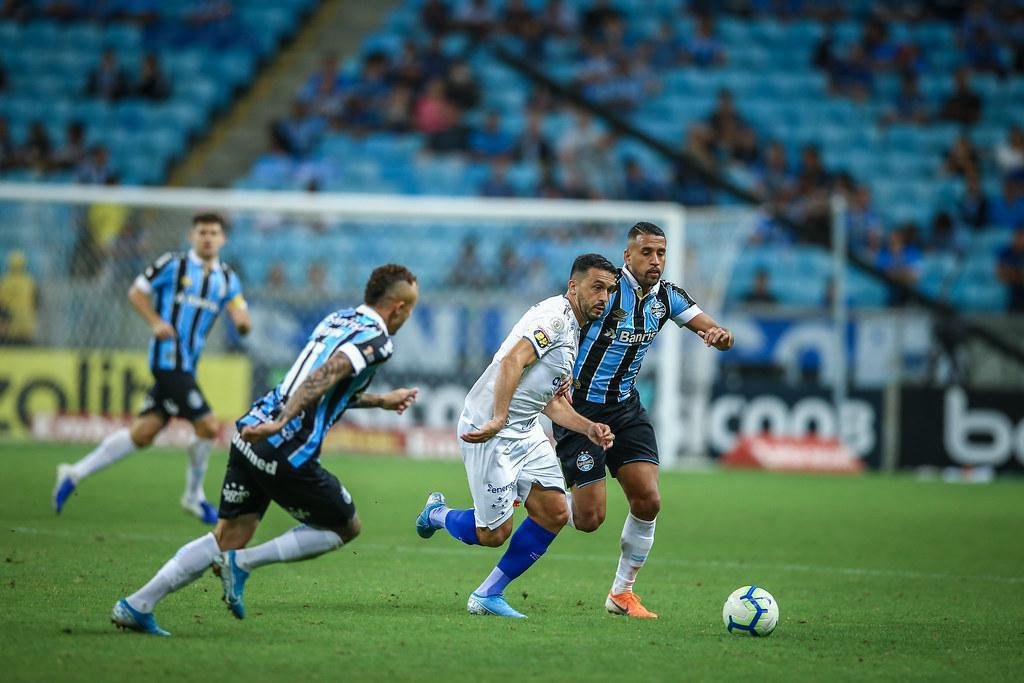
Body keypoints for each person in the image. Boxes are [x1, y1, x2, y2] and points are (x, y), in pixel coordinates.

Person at [111, 264, 421, 635]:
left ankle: (137, 604)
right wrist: (284, 421)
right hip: (285, 446)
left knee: (228, 534)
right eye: (411, 309)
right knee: (345, 526)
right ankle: (243, 563)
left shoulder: (338, 319)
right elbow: (326, 374)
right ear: (399, 308)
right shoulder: (380, 341)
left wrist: (381, 400)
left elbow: (329, 387)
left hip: (250, 430)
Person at [415, 254, 618, 618]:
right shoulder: (554, 319)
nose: (603, 297)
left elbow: (549, 402)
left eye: (609, 290)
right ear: (574, 286)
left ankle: (487, 594)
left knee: (555, 512)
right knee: (493, 534)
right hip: (490, 430)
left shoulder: (574, 328)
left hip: (524, 431)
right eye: (596, 287)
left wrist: (589, 427)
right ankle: (437, 513)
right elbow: (512, 361)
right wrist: (498, 417)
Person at [554, 222, 733, 619]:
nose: (656, 260)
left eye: (661, 253)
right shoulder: (603, 291)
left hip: (625, 409)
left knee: (649, 500)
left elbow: (710, 326)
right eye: (647, 252)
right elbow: (560, 326)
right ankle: (538, 499)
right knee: (589, 519)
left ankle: (622, 592)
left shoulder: (667, 297)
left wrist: (719, 335)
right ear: (627, 257)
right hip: (580, 409)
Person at [53, 213, 252, 523]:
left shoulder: (228, 278)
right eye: (202, 232)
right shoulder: (173, 264)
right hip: (167, 360)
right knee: (209, 426)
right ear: (192, 236)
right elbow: (136, 291)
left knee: (143, 434)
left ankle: (74, 473)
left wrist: (241, 324)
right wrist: (156, 321)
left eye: (214, 232)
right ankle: (193, 495)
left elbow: (240, 311)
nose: (208, 237)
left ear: (222, 239)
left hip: (188, 364)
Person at [0, 250, 37, 344]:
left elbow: (2, 302)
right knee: (26, 343)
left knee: (9, 343)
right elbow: (35, 301)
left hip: (9, 320)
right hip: (27, 319)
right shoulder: (29, 281)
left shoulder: (5, 281)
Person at [997, 227, 1024, 312]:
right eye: (1018, 237)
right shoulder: (1006, 252)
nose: (1020, 240)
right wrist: (1017, 274)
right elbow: (1000, 274)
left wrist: (1013, 273)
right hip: (1011, 289)